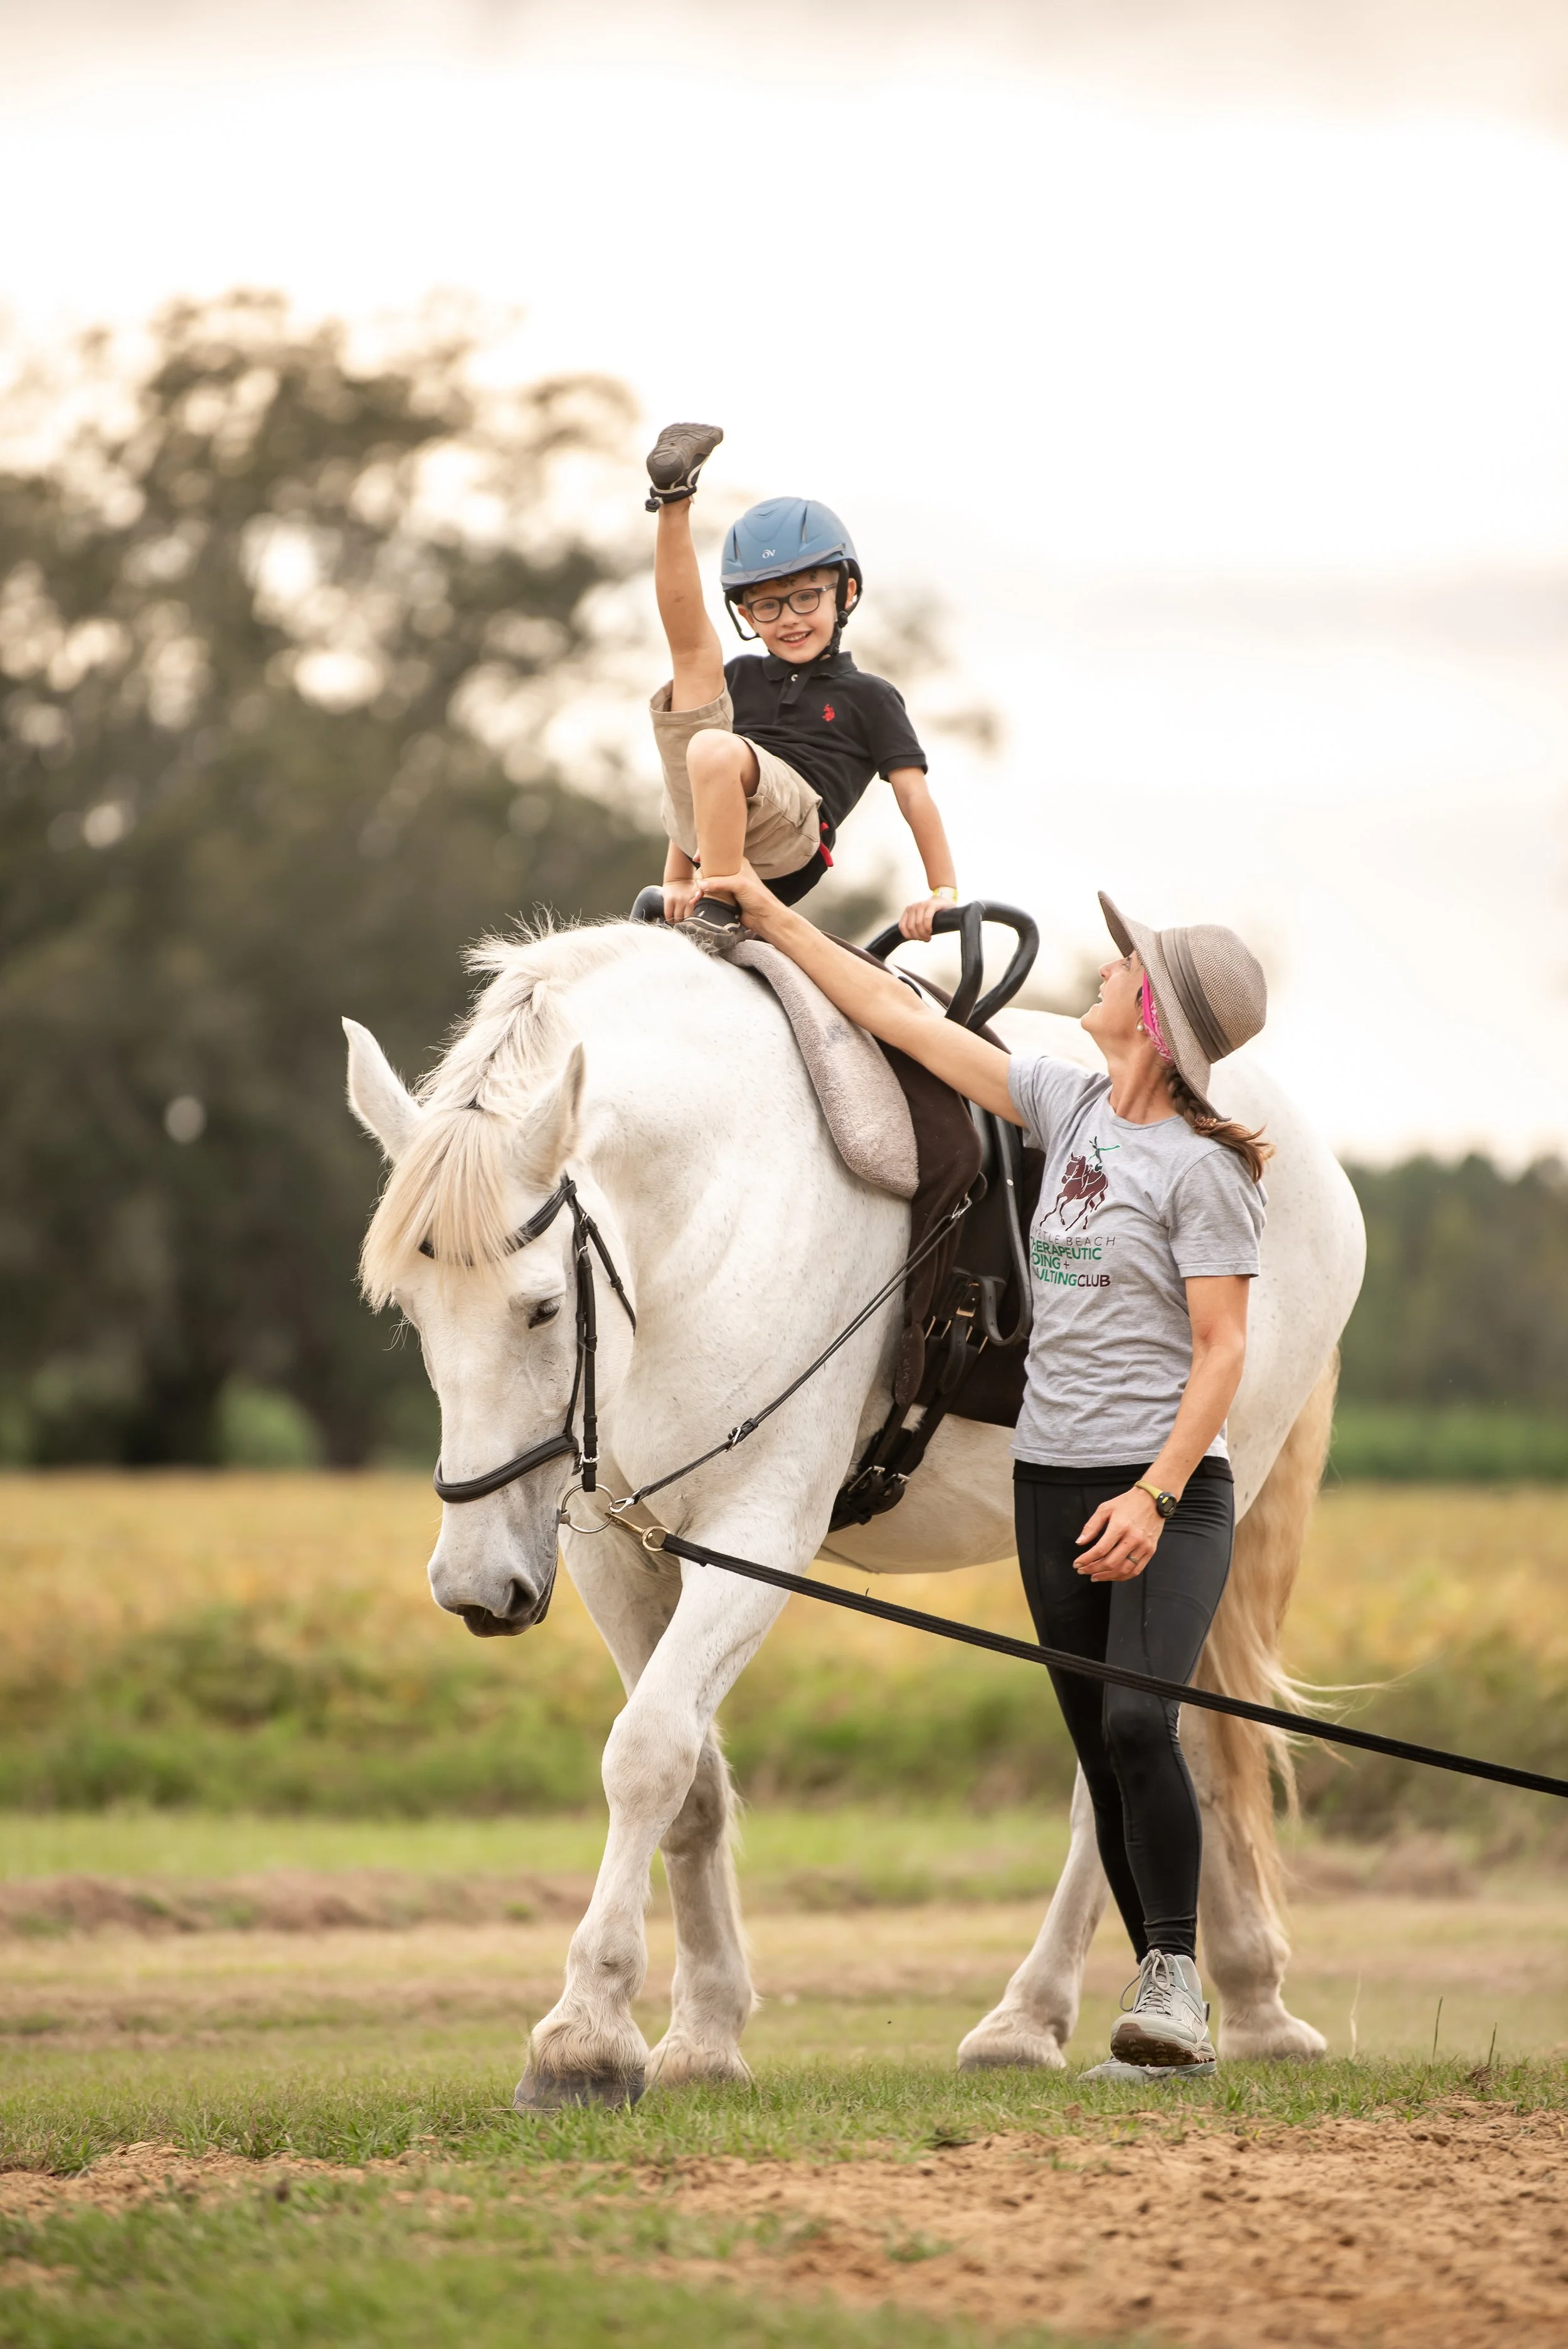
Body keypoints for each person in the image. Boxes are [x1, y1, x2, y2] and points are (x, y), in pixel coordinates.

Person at [702, 861, 1272, 2078]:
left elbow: (1222, 1355)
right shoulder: (1064, 1105)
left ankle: (1172, 1983)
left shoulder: (1204, 1170)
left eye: (1125, 966)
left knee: (1137, 1720)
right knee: (1098, 1742)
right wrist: (771, 916)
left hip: (1165, 1492)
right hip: (1051, 1483)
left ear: (1156, 1017)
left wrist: (1155, 1492)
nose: (1106, 969)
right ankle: (1159, 2004)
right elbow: (902, 1020)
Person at [642, 422, 958, 947]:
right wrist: (676, 878)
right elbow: (691, 786)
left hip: (793, 838)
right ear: (746, 613)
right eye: (768, 605)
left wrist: (942, 891)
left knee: (712, 747)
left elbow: (913, 796)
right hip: (719, 825)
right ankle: (674, 497)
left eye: (806, 597)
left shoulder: (869, 696)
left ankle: (718, 900)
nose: (789, 619)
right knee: (693, 670)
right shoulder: (740, 678)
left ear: (846, 591)